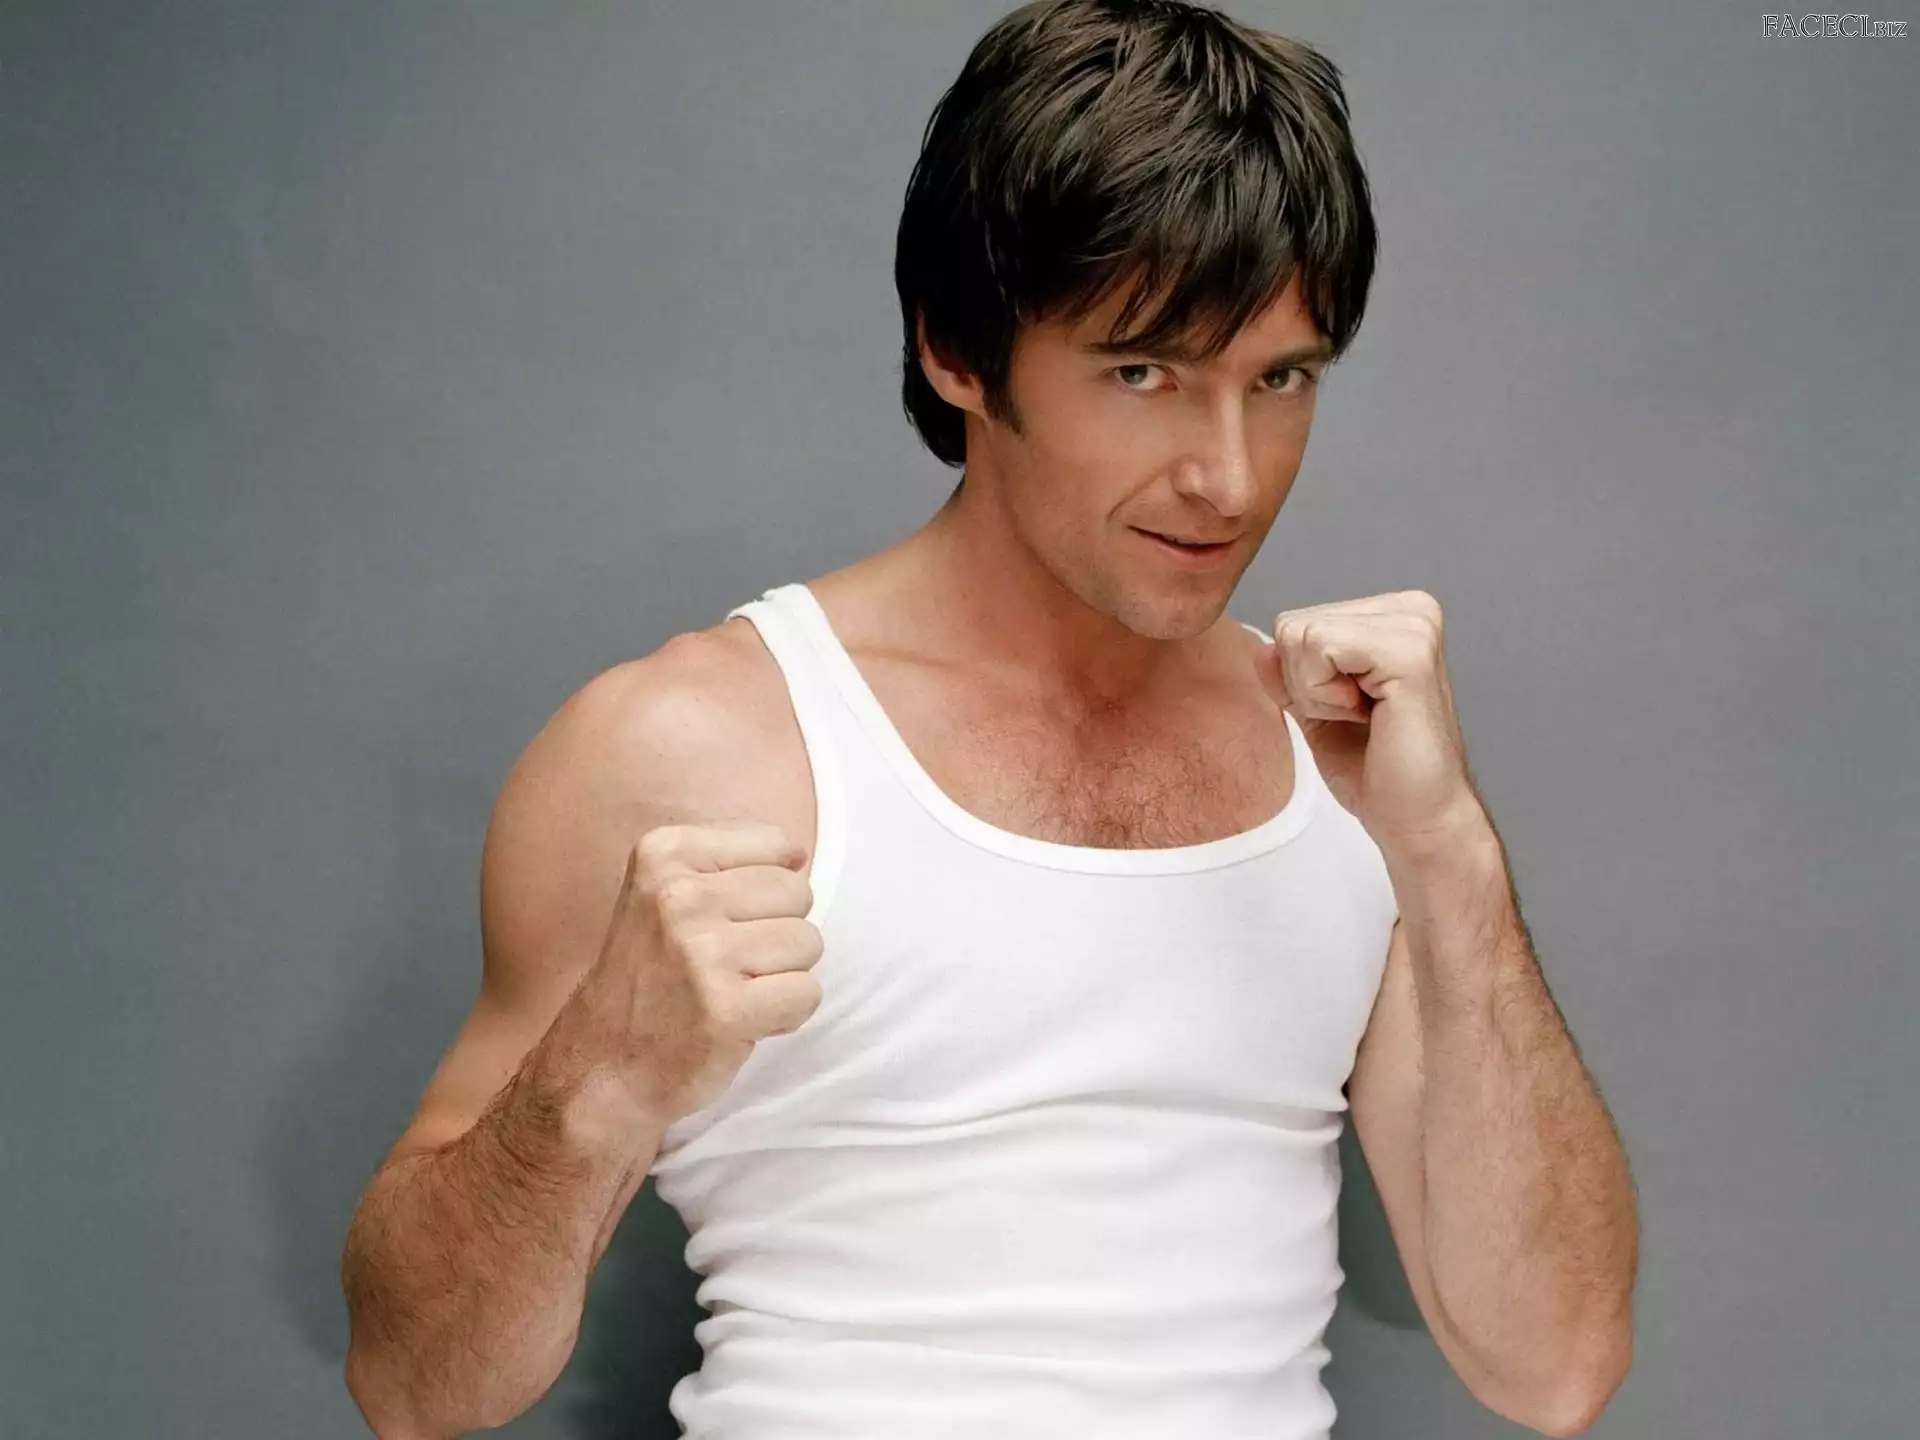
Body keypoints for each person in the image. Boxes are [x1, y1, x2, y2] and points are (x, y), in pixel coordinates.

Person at [339, 2, 1638, 1436]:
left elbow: (1556, 1366)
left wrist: (1450, 857)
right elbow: (414, 1386)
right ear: (958, 349)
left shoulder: (1346, 768)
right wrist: (597, 1073)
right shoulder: (691, 749)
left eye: (1280, 379)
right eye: (1143, 373)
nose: (1230, 478)